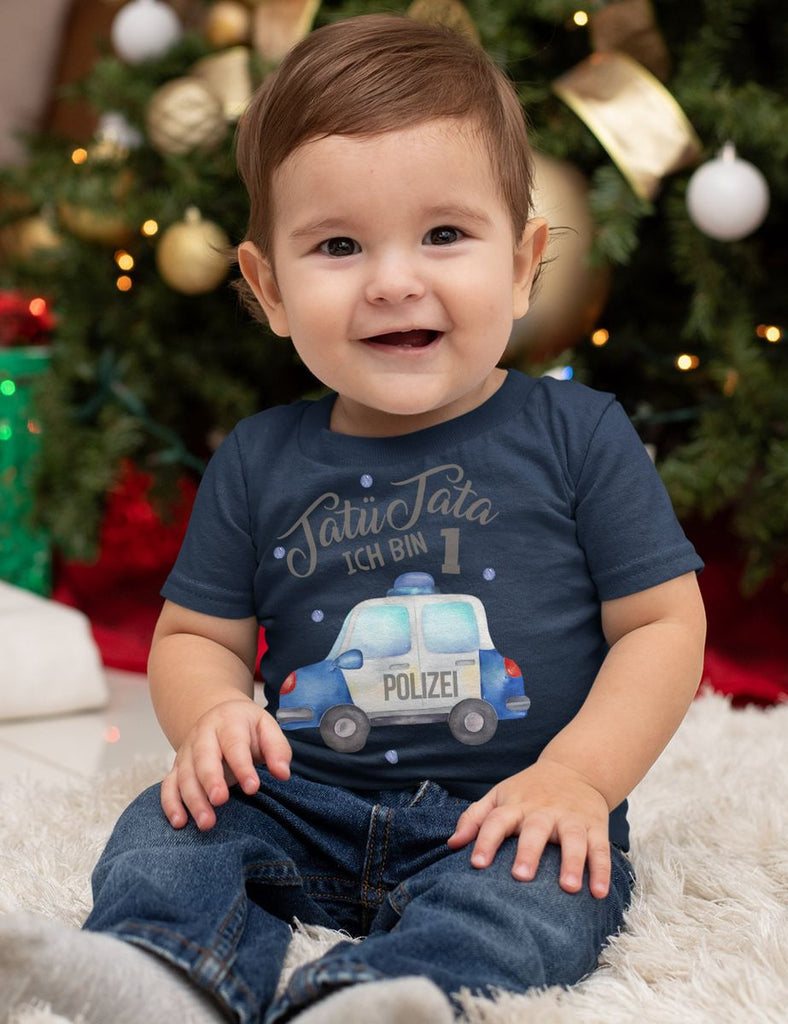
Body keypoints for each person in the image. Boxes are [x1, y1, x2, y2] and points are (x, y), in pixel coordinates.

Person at [0, 13, 706, 1024]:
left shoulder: (578, 433)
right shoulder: (257, 458)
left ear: (521, 261)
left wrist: (577, 779)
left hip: (502, 810)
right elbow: (197, 636)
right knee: (165, 830)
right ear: (268, 286)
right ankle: (166, 971)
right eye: (337, 244)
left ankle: (373, 999)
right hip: (296, 795)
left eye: (445, 234)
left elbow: (662, 625)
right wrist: (211, 720)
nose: (391, 279)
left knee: (544, 898)